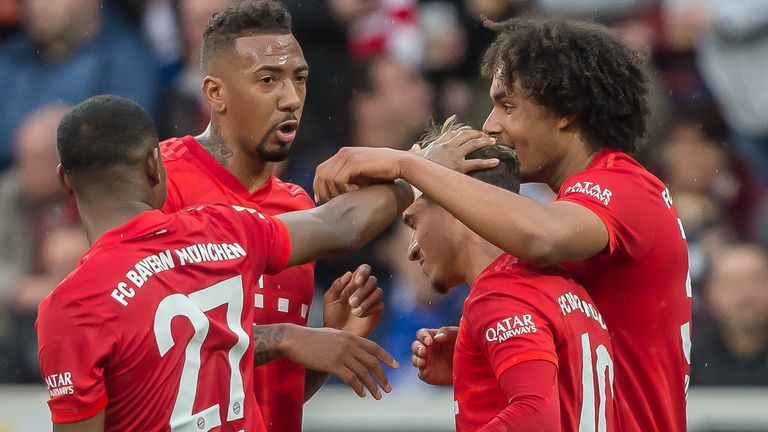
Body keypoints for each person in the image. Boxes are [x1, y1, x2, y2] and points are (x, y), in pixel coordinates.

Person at [314, 16, 691, 432]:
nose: (491, 124)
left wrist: (410, 164)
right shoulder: (599, 199)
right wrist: (496, 351)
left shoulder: (622, 187)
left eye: (508, 105)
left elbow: (541, 236)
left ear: (567, 111)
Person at [36, 95, 412, 431]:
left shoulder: (73, 307)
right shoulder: (223, 230)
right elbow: (341, 225)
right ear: (155, 164)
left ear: (64, 181)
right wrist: (419, 171)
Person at [158, 2, 389, 430]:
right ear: (215, 93)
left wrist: (331, 344)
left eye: (299, 79)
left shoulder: (298, 205)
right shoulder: (162, 182)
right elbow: (150, 348)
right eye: (268, 80)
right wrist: (290, 338)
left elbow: (259, 397)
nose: (290, 99)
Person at [406, 119, 616, 431]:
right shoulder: (564, 288)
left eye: (414, 222)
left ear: (455, 205)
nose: (412, 248)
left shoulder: (499, 294)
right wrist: (475, 361)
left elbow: (536, 417)